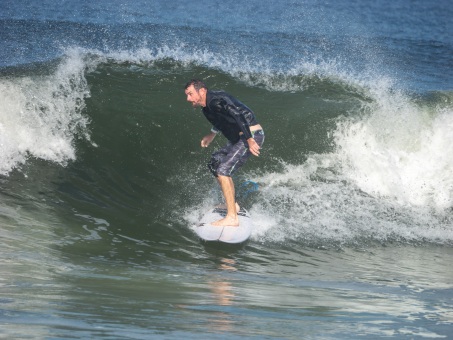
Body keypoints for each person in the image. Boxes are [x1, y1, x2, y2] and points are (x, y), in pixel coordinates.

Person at [184, 79, 264, 227]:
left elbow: (237, 114)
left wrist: (250, 139)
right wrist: (211, 134)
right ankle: (233, 205)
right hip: (238, 139)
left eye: (190, 94)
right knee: (214, 164)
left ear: (202, 91)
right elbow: (221, 120)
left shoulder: (215, 100)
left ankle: (232, 217)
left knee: (223, 171)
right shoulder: (206, 108)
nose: (188, 99)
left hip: (250, 135)